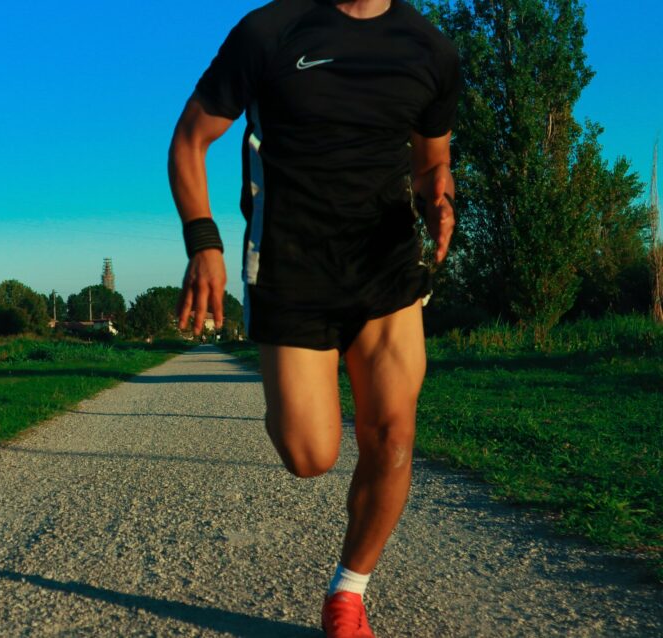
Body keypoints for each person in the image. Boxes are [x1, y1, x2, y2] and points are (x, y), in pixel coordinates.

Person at [168, 1, 461, 636]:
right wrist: (204, 244)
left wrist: (439, 199)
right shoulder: (270, 31)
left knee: (394, 437)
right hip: (290, 268)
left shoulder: (429, 49)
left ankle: (348, 594)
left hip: (384, 270)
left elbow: (430, 162)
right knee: (310, 454)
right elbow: (190, 140)